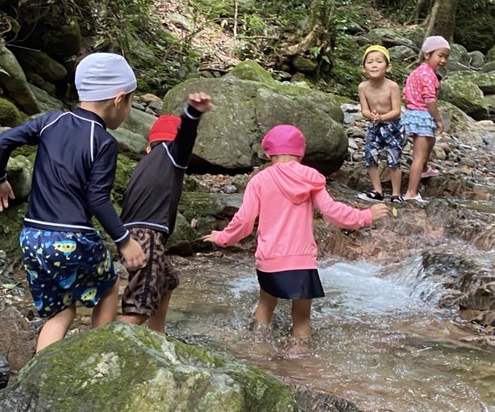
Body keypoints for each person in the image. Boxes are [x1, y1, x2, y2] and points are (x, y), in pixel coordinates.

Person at [0, 52, 146, 352]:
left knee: (61, 312)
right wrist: (124, 240)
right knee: (109, 286)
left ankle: (42, 371)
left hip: (33, 238)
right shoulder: (103, 141)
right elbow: (97, 198)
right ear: (118, 99)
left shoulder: (50, 121)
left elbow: (3, 141)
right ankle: (97, 355)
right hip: (73, 238)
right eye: (131, 103)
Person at [203, 125, 388, 348]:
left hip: (269, 259)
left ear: (269, 154)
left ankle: (256, 352)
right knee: (301, 318)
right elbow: (332, 212)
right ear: (300, 154)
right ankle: (299, 358)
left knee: (265, 306)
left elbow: (244, 220)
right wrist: (365, 215)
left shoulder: (259, 181)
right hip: (301, 261)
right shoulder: (311, 179)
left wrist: (223, 237)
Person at [118, 92, 213, 333]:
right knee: (139, 307)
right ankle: (102, 348)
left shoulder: (145, 162)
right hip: (147, 235)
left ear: (147, 146)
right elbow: (185, 136)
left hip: (130, 234)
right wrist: (192, 114)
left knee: (168, 281)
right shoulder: (171, 153)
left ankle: (158, 334)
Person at [401, 36, 451, 204]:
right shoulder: (428, 75)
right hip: (422, 115)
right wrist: (438, 119)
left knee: (431, 140)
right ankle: (411, 192)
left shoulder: (417, 72)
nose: (443, 60)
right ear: (427, 54)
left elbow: (405, 93)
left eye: (446, 57)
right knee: (419, 156)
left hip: (414, 113)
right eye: (440, 55)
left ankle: (424, 169)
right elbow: (430, 100)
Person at [357, 45, 404, 204]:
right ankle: (377, 191)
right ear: (364, 68)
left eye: (379, 61)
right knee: (370, 156)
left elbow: (396, 110)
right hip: (374, 126)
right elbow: (364, 109)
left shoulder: (392, 86)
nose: (374, 65)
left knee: (393, 159)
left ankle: (396, 194)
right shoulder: (363, 87)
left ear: (388, 67)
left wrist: (382, 117)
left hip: (393, 126)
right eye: (370, 62)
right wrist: (371, 115)